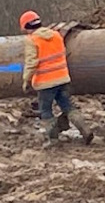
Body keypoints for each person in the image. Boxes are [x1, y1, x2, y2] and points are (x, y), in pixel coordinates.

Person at [20, 11, 93, 147]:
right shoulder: (56, 35)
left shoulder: (32, 40)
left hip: (45, 83)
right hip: (63, 79)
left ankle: (53, 140)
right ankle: (85, 130)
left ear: (27, 27)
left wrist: (26, 80)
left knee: (46, 110)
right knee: (68, 107)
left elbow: (31, 62)